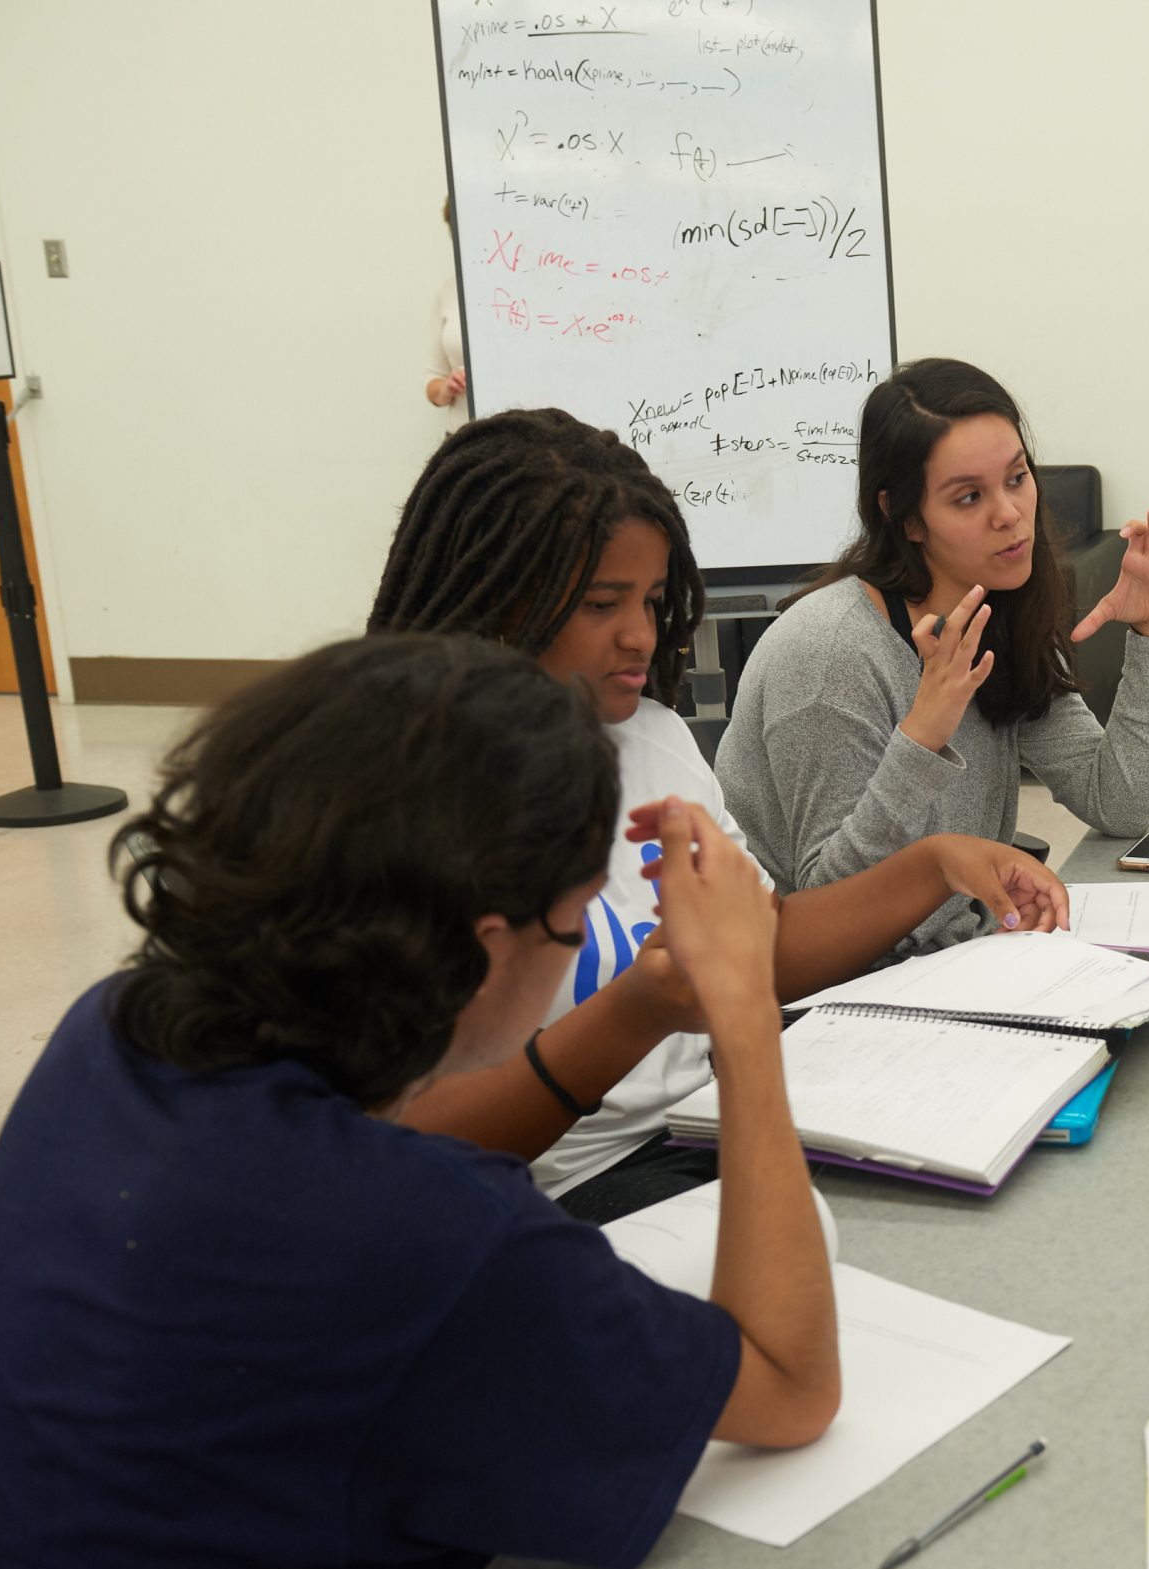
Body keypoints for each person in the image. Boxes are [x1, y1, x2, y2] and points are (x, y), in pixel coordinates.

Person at [0, 635, 840, 1569]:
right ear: (484, 941)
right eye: (577, 922)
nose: (585, 946)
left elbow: (375, 1196)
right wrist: (743, 1009)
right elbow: (790, 1383)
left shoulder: (117, 1033)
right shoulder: (424, 1237)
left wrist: (646, 999)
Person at [368, 409, 1067, 1223]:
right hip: (561, 1187)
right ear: (492, 594)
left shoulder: (653, 738)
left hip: (701, 1128)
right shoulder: (401, 796)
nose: (642, 635)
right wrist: (639, 1011)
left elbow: (764, 941)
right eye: (602, 604)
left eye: (655, 599)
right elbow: (399, 1151)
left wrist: (938, 861)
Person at [716, 357, 1149, 957]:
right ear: (905, 516)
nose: (1009, 514)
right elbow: (829, 914)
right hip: (823, 1004)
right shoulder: (828, 653)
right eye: (969, 496)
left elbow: (1119, 803)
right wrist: (922, 738)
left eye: (1017, 478)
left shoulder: (997, 611)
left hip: (963, 959)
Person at [427, 196, 467, 424]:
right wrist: (448, 388)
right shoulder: (448, 290)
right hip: (464, 439)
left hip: (531, 443)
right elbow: (433, 379)